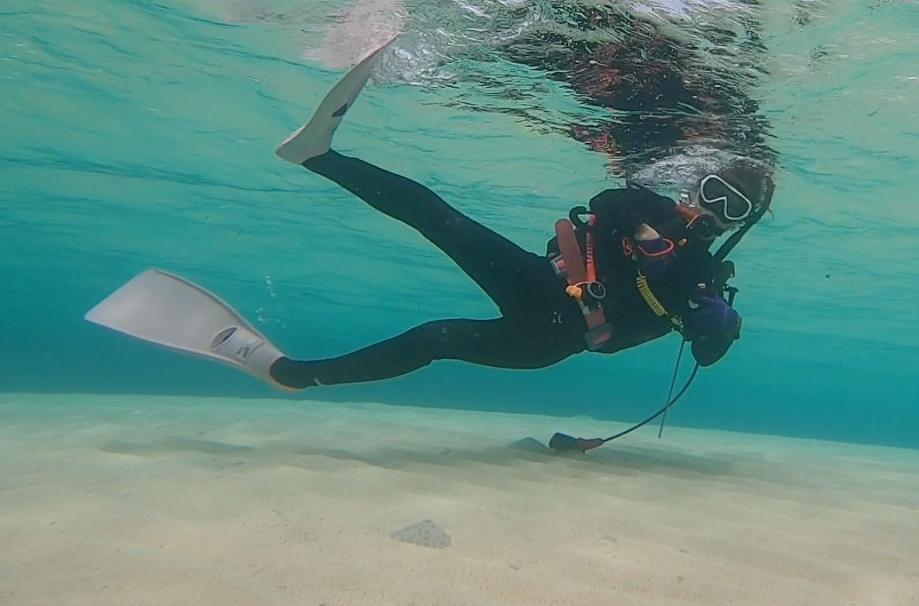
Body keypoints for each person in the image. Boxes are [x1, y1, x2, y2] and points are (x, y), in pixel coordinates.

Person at [86, 37, 774, 393]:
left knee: (439, 334)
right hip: (542, 283)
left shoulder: (705, 276)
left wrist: (719, 327)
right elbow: (609, 203)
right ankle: (319, 156)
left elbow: (706, 350)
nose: (711, 209)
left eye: (731, 208)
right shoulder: (651, 204)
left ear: (740, 222)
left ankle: (290, 373)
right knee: (443, 220)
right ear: (697, 178)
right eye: (712, 189)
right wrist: (650, 233)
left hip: (552, 339)